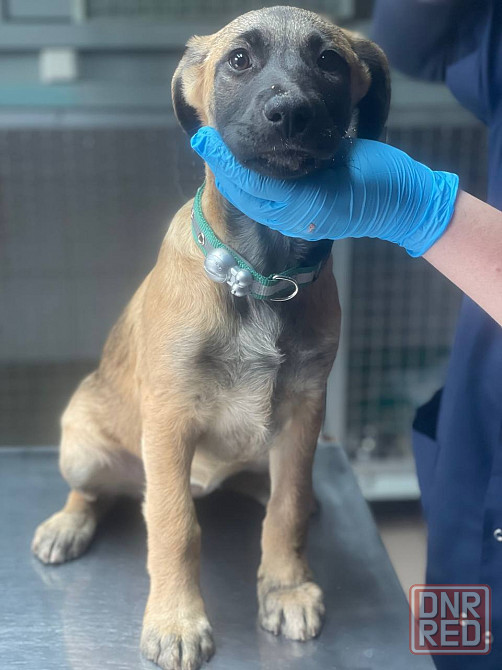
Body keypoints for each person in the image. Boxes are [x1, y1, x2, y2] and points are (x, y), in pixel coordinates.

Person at [191, 4, 502, 667]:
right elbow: (407, 40)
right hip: (491, 333)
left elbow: (408, 34)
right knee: (464, 596)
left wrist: (424, 212)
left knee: (478, 590)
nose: (288, 97)